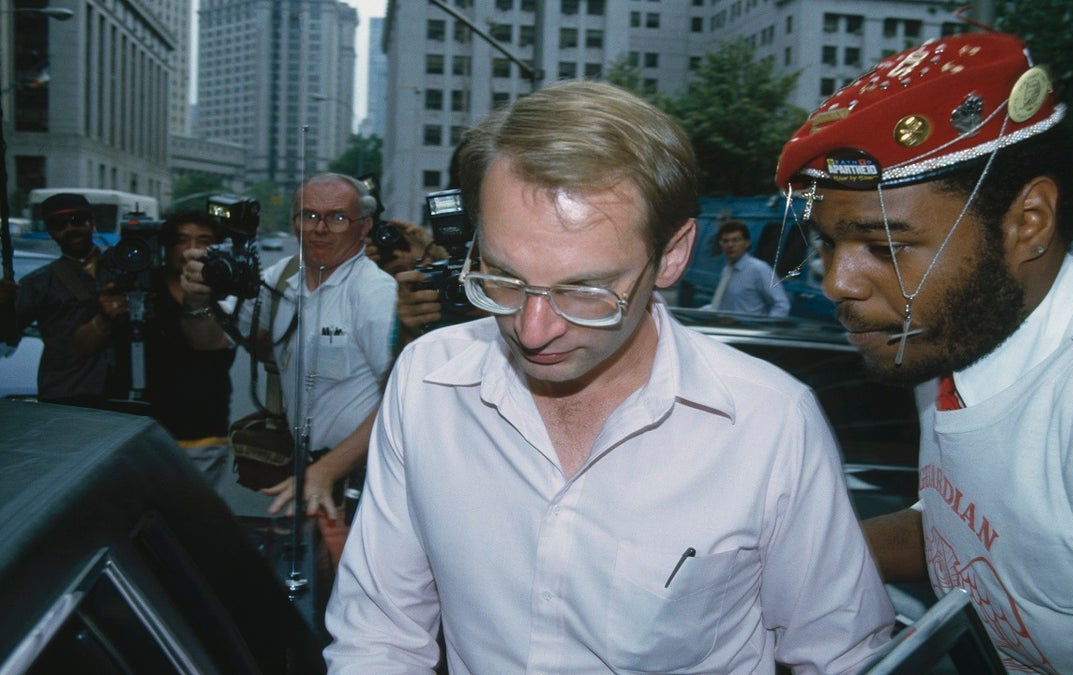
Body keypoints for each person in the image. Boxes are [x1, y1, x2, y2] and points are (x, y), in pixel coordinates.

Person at [324, 81, 894, 673]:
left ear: (673, 255)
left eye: (585, 290)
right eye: (502, 277)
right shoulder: (427, 381)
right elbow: (380, 633)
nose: (533, 329)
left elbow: (840, 657)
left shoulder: (768, 421)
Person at [774, 32, 1073, 673]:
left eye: (885, 246)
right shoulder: (952, 331)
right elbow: (977, 528)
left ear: (1027, 221)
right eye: (828, 244)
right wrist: (778, 563)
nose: (838, 282)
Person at [180, 173, 398, 520]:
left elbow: (401, 402)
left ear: (364, 226)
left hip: (361, 477)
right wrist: (197, 302)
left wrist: (327, 470)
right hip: (303, 469)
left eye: (338, 217)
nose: (319, 229)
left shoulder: (374, 293)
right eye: (308, 215)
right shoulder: (282, 277)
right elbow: (207, 341)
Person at [143, 211, 237, 490]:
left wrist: (199, 301)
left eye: (203, 241)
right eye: (181, 240)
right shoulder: (141, 286)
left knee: (194, 520)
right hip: (142, 430)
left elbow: (216, 347)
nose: (192, 249)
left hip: (202, 429)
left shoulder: (228, 291)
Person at [5, 193, 125, 404]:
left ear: (92, 222)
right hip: (67, 393)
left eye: (77, 220)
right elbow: (7, 335)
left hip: (124, 391)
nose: (70, 229)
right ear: (50, 232)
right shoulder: (37, 284)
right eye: (58, 224)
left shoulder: (123, 267)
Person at [701, 219, 792, 317]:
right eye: (725, 241)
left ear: (747, 243)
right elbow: (721, 306)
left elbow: (782, 305)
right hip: (727, 329)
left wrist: (765, 328)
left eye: (736, 240)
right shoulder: (727, 270)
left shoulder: (759, 269)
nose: (730, 245)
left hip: (749, 330)